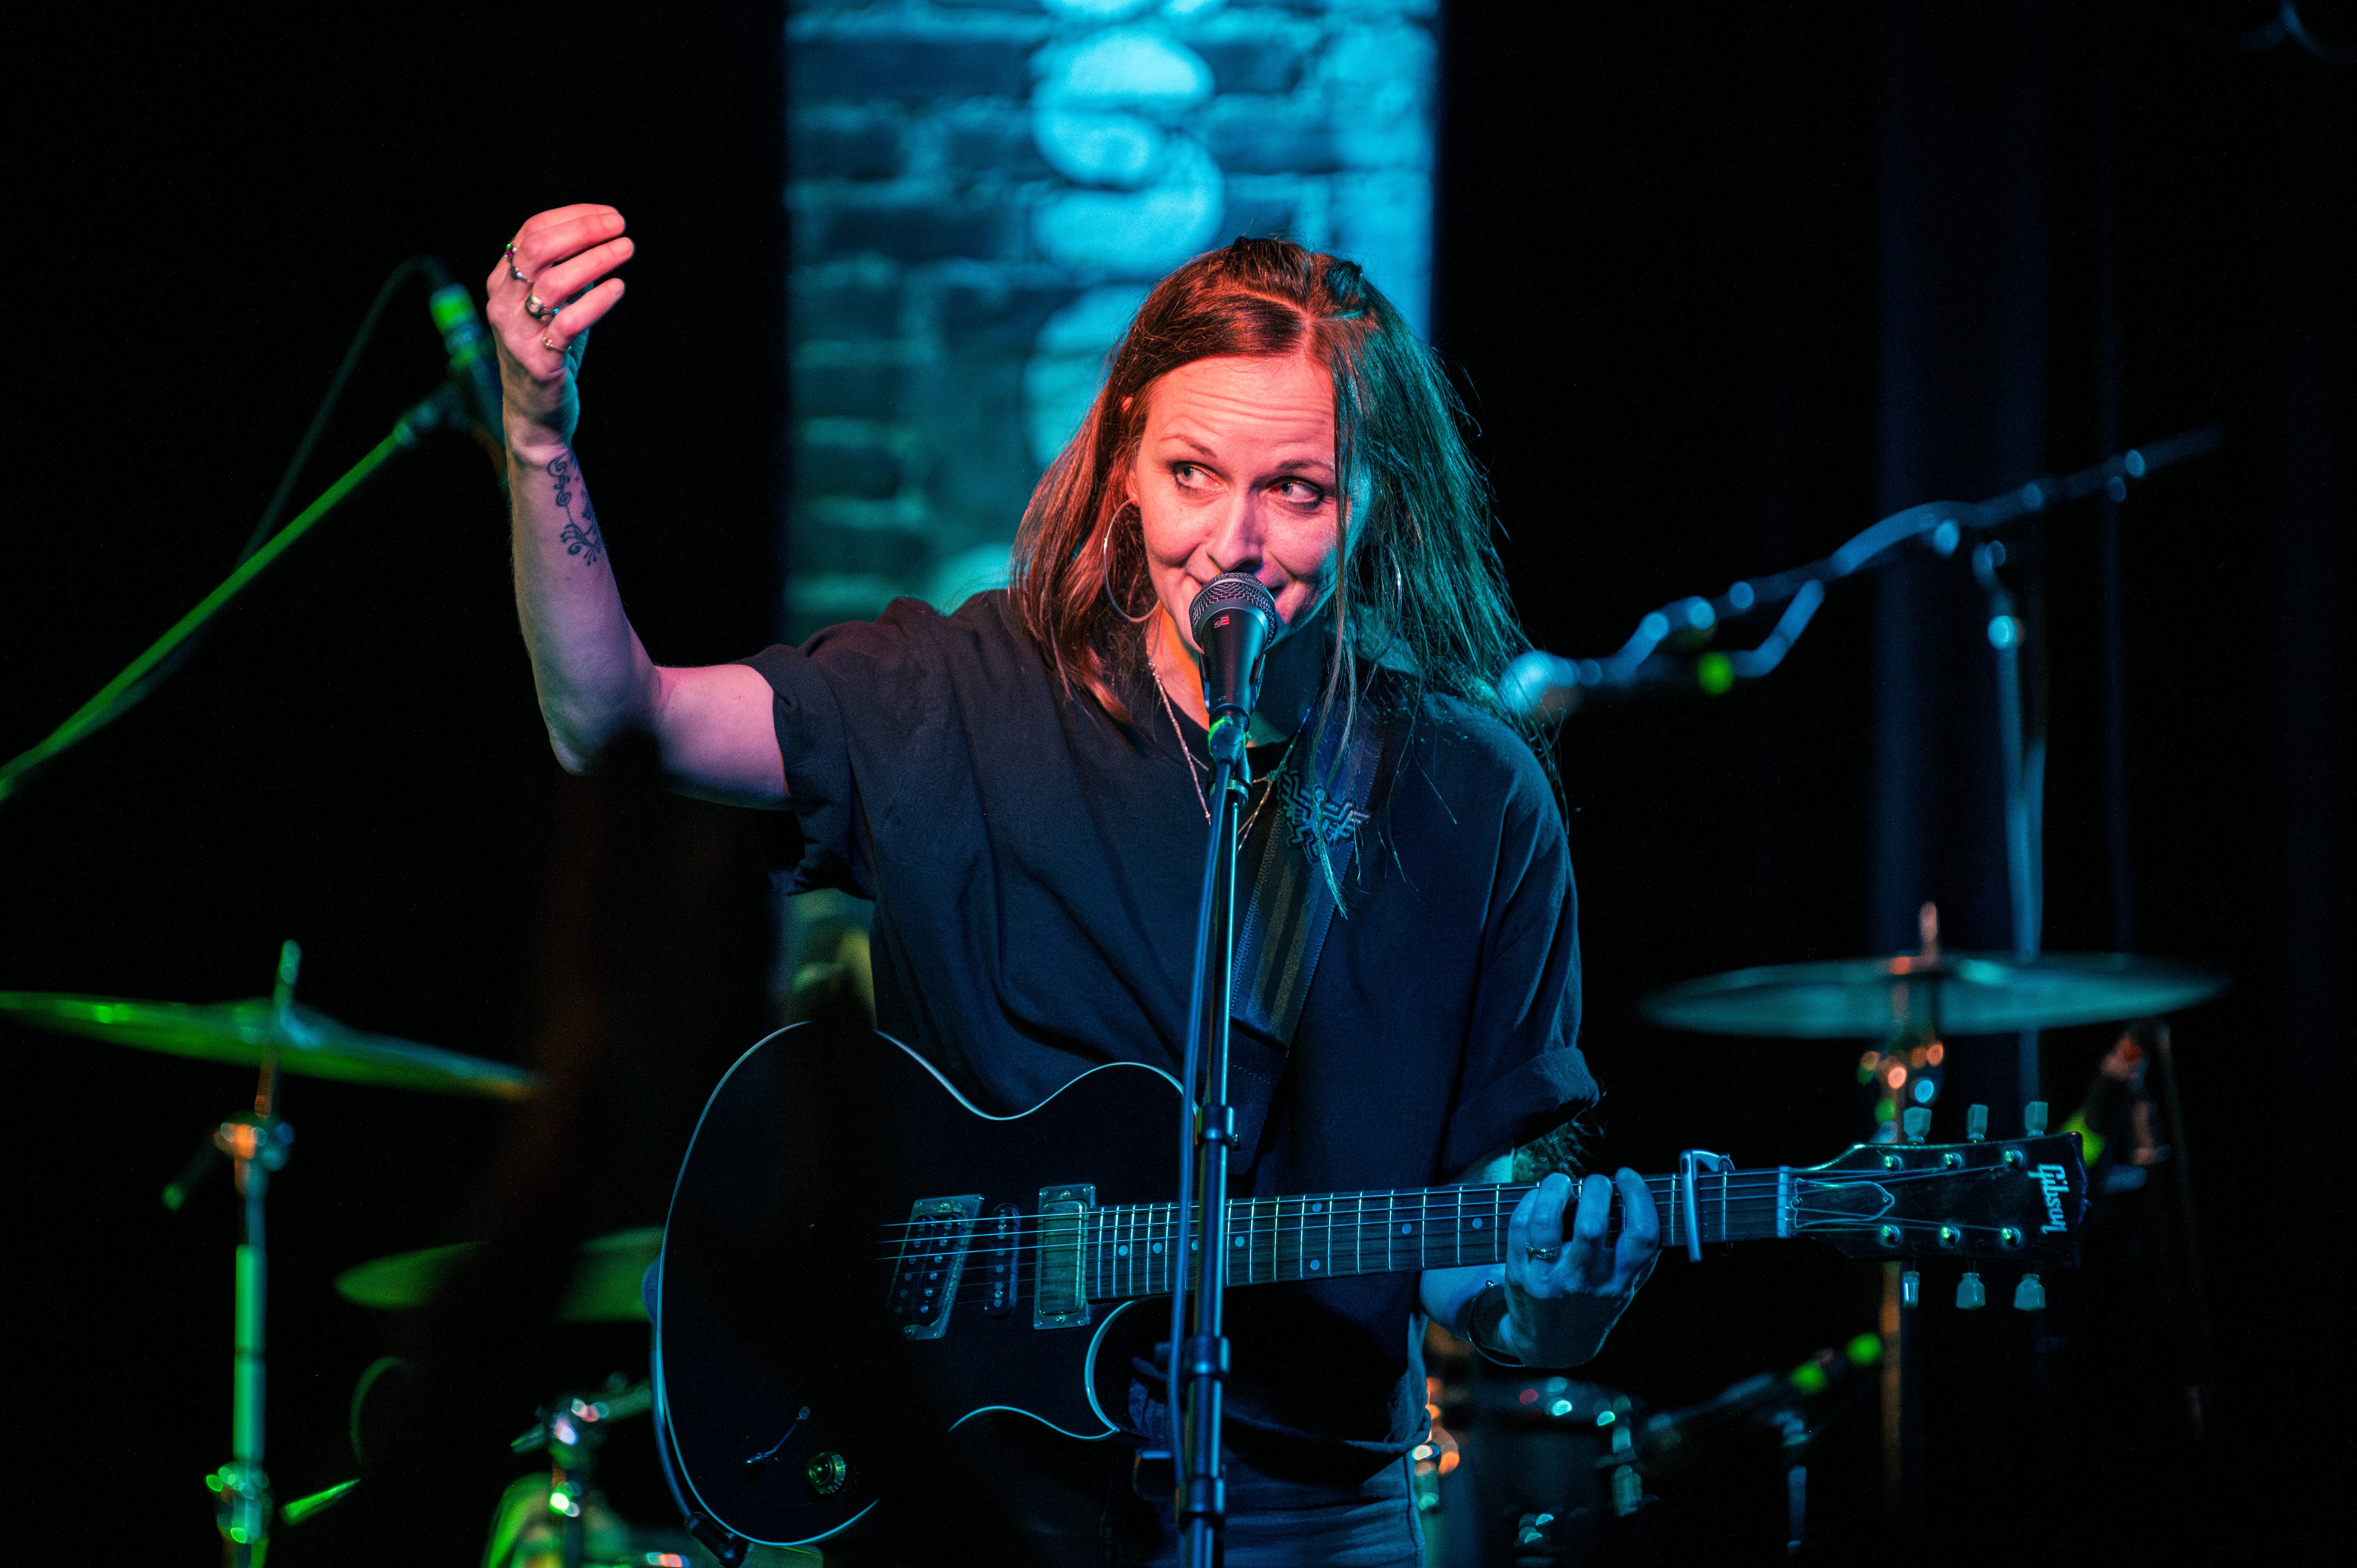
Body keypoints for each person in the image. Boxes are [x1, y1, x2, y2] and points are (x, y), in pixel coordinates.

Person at [487, 203, 1661, 1566]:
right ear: (1122, 470)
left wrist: (1554, 1300)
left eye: (1298, 490)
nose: (1234, 540)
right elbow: (610, 719)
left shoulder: (1472, 798)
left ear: (1375, 503)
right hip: (976, 1499)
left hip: (1310, 1515)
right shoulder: (959, 697)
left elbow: (1474, 1265)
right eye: (1191, 474)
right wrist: (533, 436)